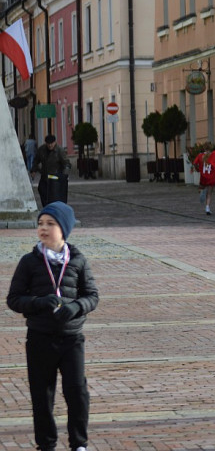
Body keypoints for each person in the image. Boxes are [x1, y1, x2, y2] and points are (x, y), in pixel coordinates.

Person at [6, 202, 99, 451]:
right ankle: (46, 444)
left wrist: (76, 307)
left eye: (50, 224)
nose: (43, 229)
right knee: (42, 395)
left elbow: (92, 296)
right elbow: (13, 299)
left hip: (71, 338)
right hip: (40, 337)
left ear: (64, 229)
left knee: (77, 392)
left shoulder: (78, 260)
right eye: (40, 224)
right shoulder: (29, 262)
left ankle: (79, 443)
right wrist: (38, 302)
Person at [32, 135, 71, 206]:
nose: (50, 145)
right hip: (45, 176)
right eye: (48, 143)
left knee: (54, 195)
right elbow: (36, 160)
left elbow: (66, 164)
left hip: (55, 177)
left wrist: (64, 176)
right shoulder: (42, 149)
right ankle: (46, 207)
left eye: (51, 143)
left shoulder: (60, 150)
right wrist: (34, 170)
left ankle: (53, 209)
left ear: (55, 142)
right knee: (41, 190)